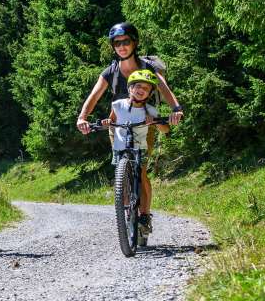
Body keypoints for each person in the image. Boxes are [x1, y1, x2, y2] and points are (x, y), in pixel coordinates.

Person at [76, 21, 184, 232]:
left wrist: (176, 109)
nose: (121, 46)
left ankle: (144, 216)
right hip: (117, 123)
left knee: (141, 169)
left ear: (134, 43)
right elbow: (94, 95)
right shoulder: (111, 71)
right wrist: (82, 117)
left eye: (125, 41)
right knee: (121, 167)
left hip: (145, 123)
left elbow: (164, 88)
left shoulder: (147, 67)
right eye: (117, 43)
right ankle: (126, 208)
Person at [100, 70, 168, 230]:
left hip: (140, 147)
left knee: (142, 175)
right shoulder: (117, 105)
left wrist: (155, 122)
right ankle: (125, 212)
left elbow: (165, 130)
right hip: (121, 146)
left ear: (150, 93)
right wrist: (106, 122)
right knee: (122, 179)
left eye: (146, 88)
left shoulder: (150, 110)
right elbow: (112, 120)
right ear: (130, 88)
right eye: (138, 86)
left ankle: (144, 215)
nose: (141, 90)